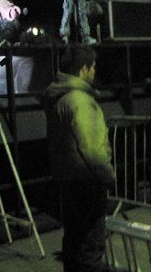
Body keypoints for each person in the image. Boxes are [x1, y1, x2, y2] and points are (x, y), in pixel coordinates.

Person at [43, 42, 114, 271]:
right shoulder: (81, 101)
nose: (94, 72)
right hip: (87, 183)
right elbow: (93, 151)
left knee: (73, 244)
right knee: (90, 248)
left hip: (68, 181)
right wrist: (109, 175)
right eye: (93, 67)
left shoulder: (59, 97)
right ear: (84, 69)